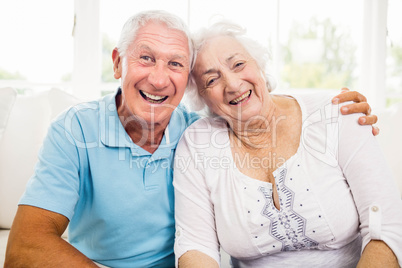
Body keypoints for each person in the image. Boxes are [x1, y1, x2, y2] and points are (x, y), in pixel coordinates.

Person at [4, 10, 378, 268]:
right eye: (146, 58)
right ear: (118, 62)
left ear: (189, 81)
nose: (159, 79)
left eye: (176, 64)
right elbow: (24, 249)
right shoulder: (75, 130)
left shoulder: (203, 133)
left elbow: (253, 99)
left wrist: (332, 107)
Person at [173, 21, 402, 267]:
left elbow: (386, 229)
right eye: (211, 80)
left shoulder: (337, 113)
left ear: (258, 64)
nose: (233, 84)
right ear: (202, 97)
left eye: (238, 64)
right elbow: (196, 247)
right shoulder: (198, 143)